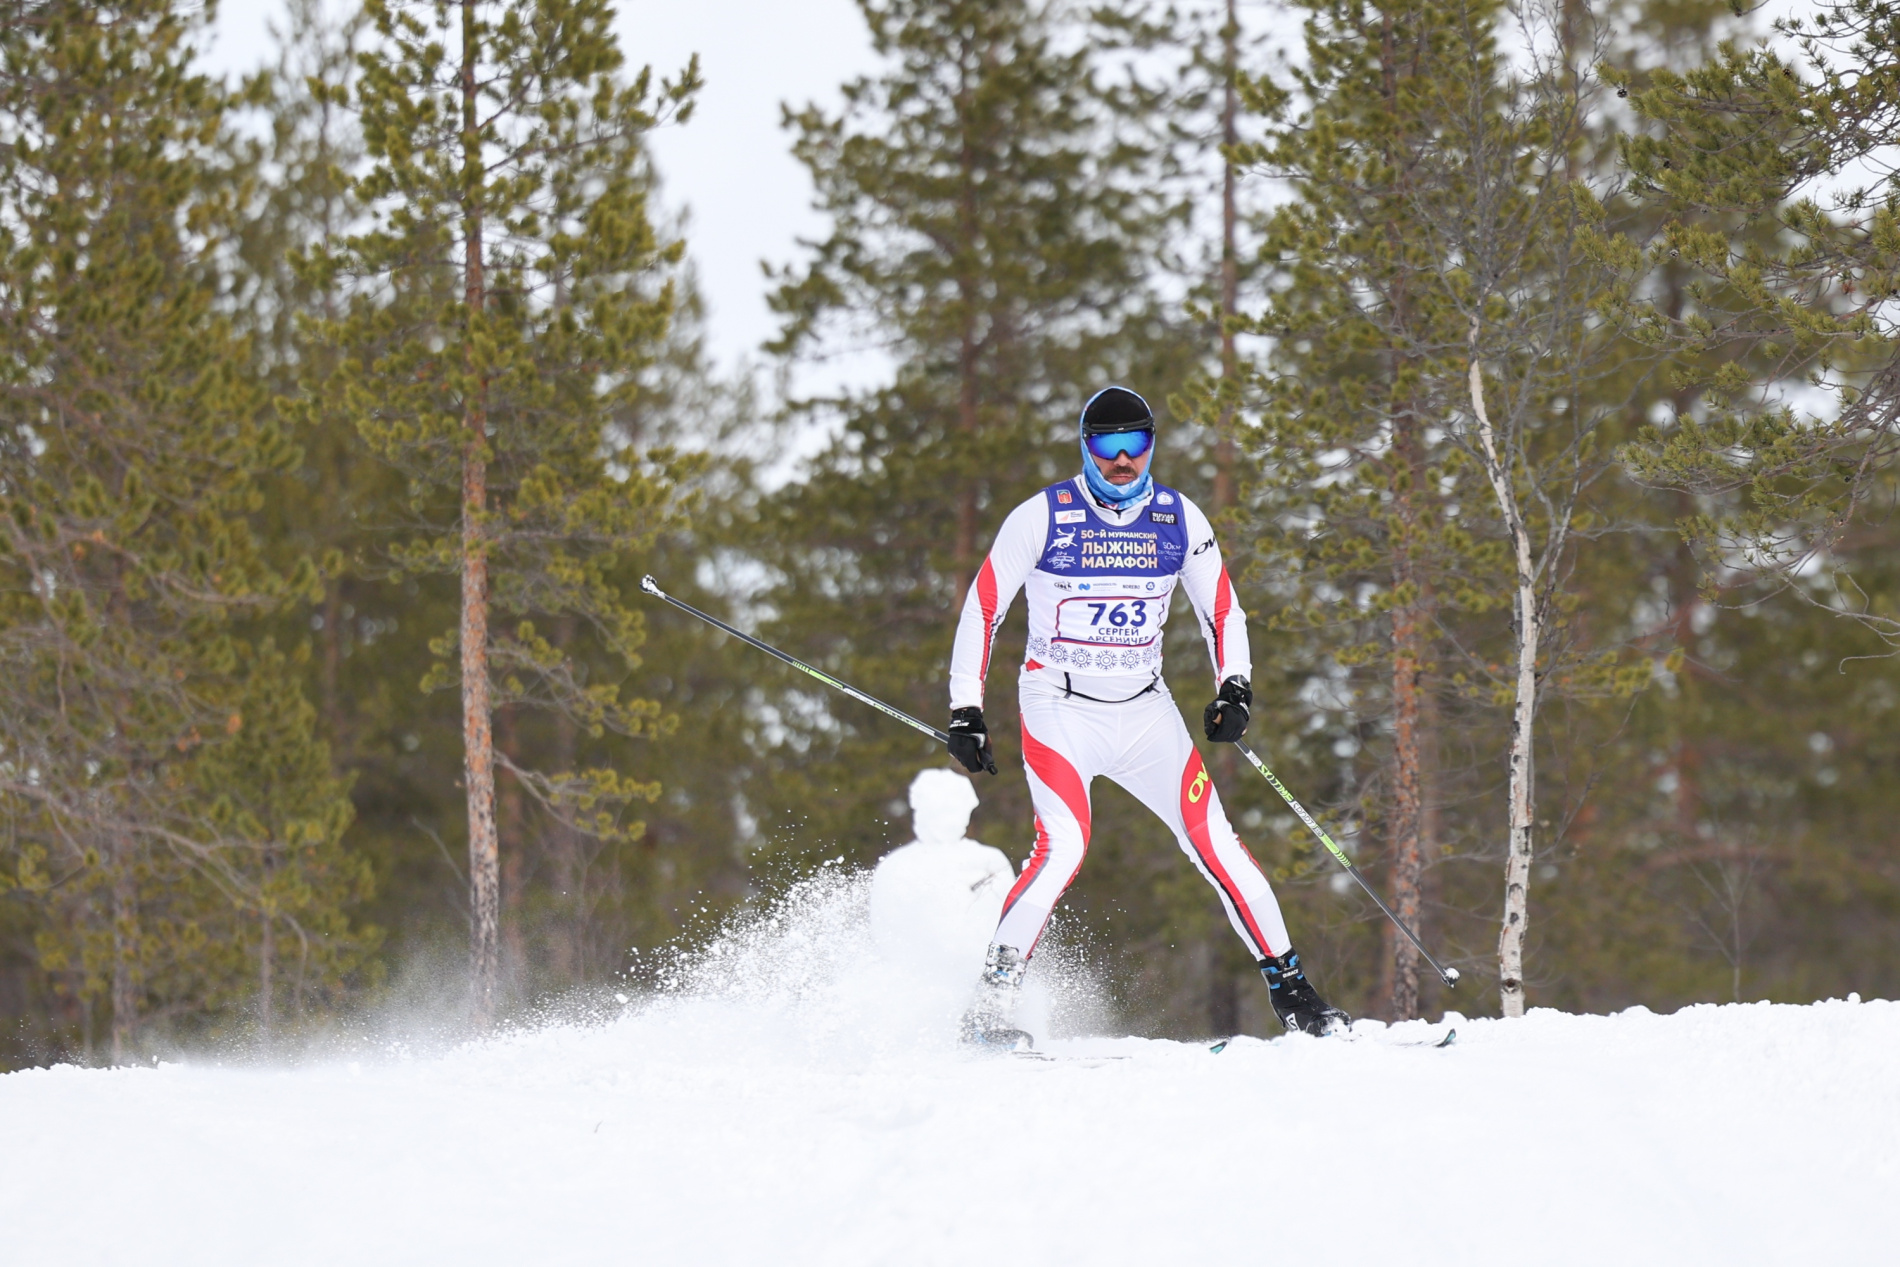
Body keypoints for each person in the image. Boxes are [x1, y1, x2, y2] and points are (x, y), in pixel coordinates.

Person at [944, 385, 1348, 1048]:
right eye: (1107, 447)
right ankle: (988, 1003)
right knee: (1064, 846)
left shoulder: (1178, 520)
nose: (1123, 461)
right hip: (1060, 707)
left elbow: (1222, 609)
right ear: (1086, 446)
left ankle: (1295, 992)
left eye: (1136, 446)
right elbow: (984, 605)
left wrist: (1234, 688)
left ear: (1152, 447)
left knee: (1216, 842)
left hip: (1145, 712)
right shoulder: (1043, 516)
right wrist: (967, 707)